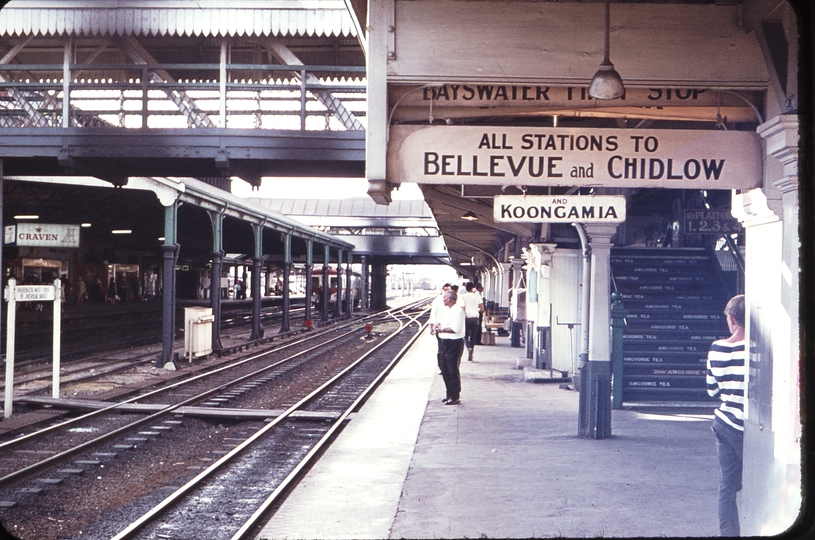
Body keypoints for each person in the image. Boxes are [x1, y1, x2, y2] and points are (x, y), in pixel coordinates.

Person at [706, 294, 746, 537]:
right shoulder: (757, 348)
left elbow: (712, 390)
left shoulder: (717, 348)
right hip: (748, 428)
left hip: (724, 424)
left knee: (727, 487)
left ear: (731, 319)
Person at [434, 289, 465, 405]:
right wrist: (438, 325)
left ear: (450, 299)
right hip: (444, 342)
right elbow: (443, 323)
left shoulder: (458, 311)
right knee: (445, 369)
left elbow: (455, 329)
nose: (443, 299)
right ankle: (449, 393)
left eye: (444, 297)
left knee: (453, 369)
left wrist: (441, 329)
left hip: (454, 342)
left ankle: (455, 395)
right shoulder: (448, 310)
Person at [429, 283, 452, 374]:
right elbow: (433, 315)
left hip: (450, 327)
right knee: (442, 348)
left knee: (448, 348)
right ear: (442, 290)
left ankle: (448, 367)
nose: (446, 291)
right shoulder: (437, 301)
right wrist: (431, 327)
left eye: (448, 289)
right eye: (445, 289)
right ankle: (442, 368)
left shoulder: (454, 300)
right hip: (439, 327)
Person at [461, 282, 484, 361]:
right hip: (475, 318)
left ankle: (469, 348)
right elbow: (482, 309)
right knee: (473, 336)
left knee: (466, 336)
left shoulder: (463, 297)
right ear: (473, 287)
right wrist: (477, 310)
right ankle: (472, 350)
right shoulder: (478, 296)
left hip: (466, 318)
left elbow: (462, 309)